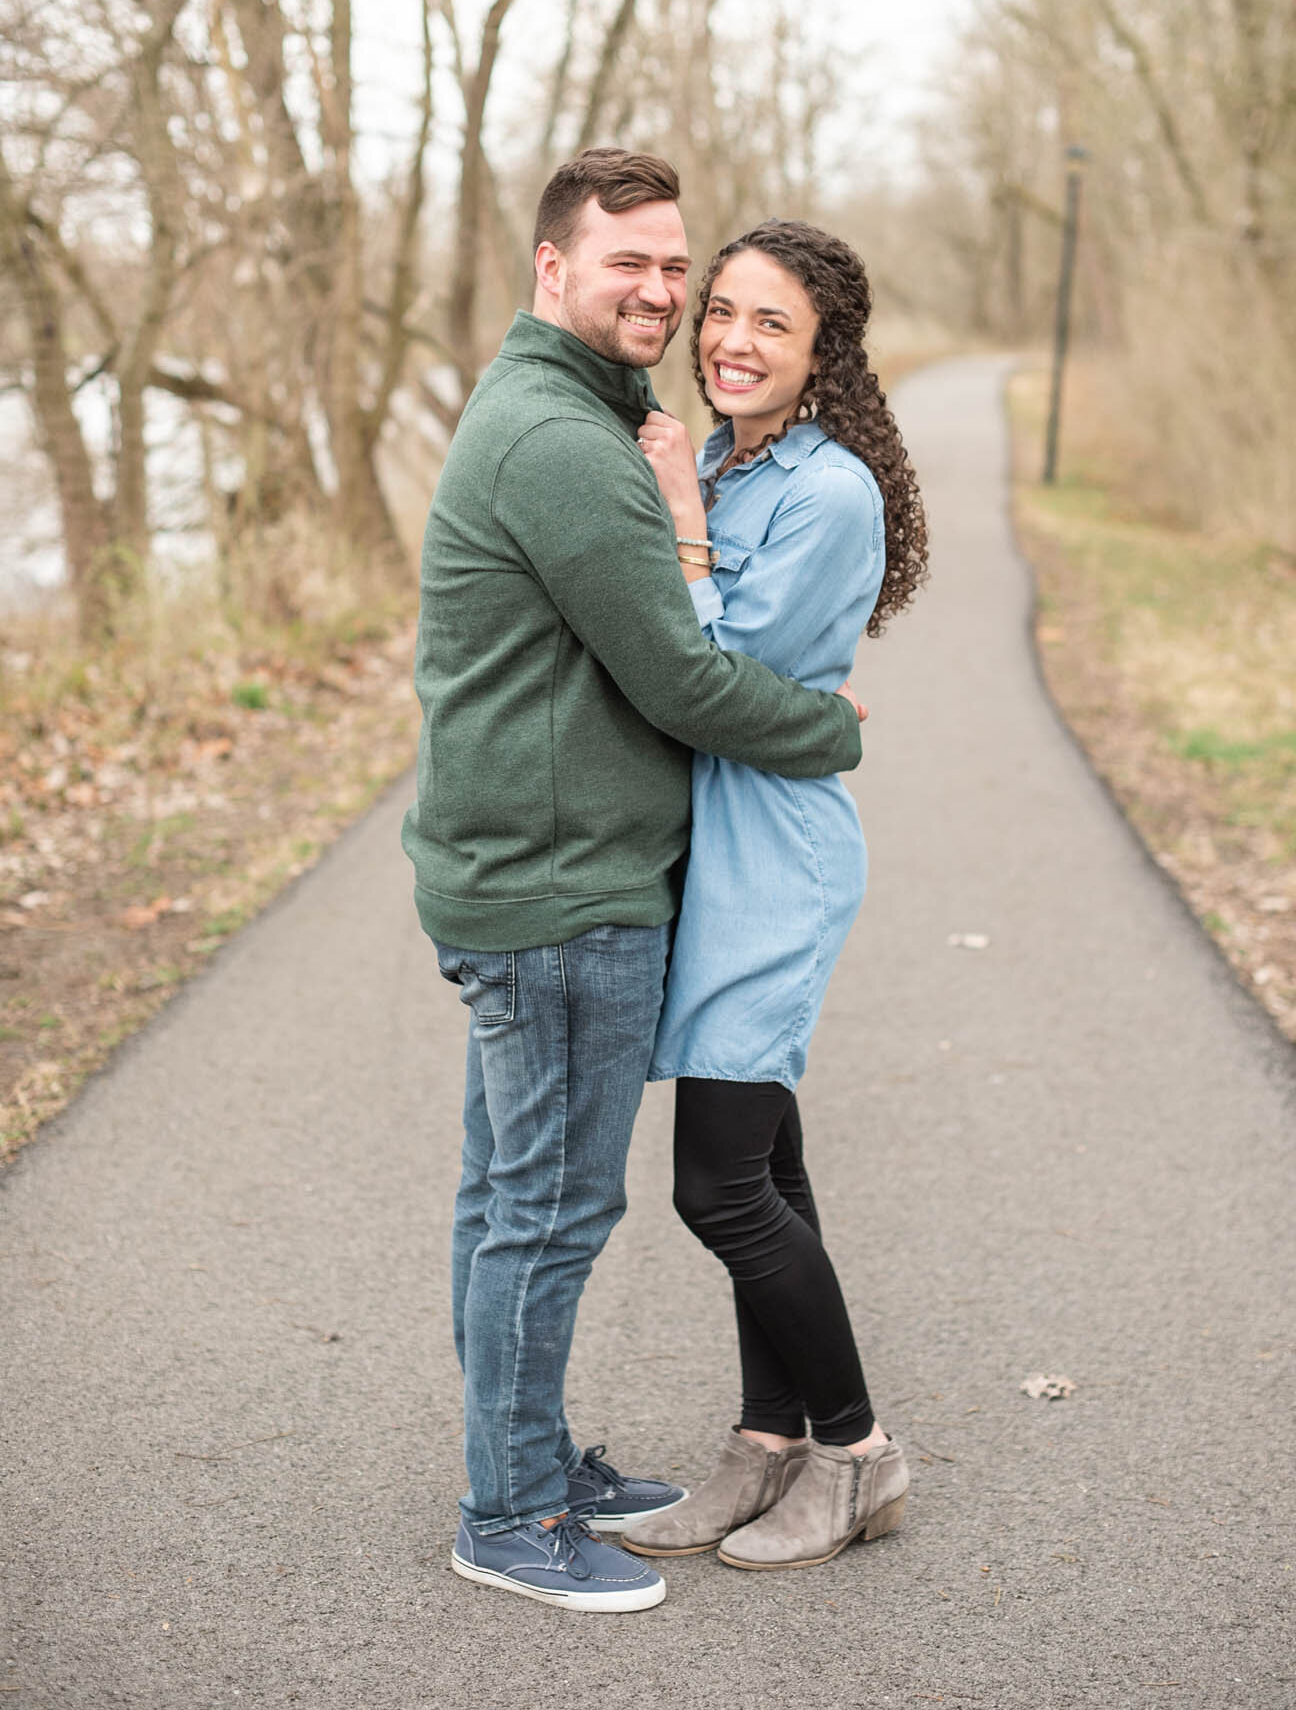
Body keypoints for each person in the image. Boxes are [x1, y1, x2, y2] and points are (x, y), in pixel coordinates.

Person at [402, 151, 868, 1614]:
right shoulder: (560, 439)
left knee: (511, 1201)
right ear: (553, 268)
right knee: (542, 1213)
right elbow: (680, 673)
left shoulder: (597, 417)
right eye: (637, 268)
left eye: (680, 269)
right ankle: (512, 1512)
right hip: (560, 893)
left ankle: (531, 1453)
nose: (665, 297)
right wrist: (833, 729)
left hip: (544, 877)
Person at [619, 219, 928, 1570]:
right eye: (723, 312)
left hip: (775, 858)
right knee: (767, 1169)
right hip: (716, 850)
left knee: (720, 1185)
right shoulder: (740, 462)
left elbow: (712, 682)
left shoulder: (826, 490)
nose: (733, 341)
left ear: (823, 355)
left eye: (772, 325)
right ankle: (766, 1443)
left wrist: (683, 518)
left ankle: (858, 1454)